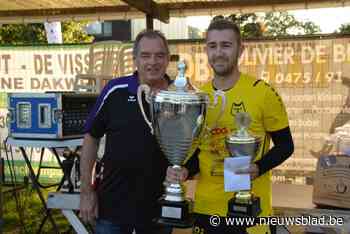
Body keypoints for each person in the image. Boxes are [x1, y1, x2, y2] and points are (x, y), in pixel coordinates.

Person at [167, 18, 294, 234]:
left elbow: (286, 146)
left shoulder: (262, 92)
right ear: (206, 50)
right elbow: (201, 150)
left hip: (249, 211)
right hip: (206, 209)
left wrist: (258, 168)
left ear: (240, 49)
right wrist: (185, 170)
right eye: (213, 46)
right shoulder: (199, 97)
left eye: (226, 45)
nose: (219, 53)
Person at [80, 29, 173, 234]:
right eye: (145, 55)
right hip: (112, 208)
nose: (153, 62)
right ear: (135, 60)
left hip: (160, 210)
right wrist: (86, 191)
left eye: (159, 55)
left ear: (168, 59)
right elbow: (91, 138)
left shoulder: (180, 95)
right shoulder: (115, 90)